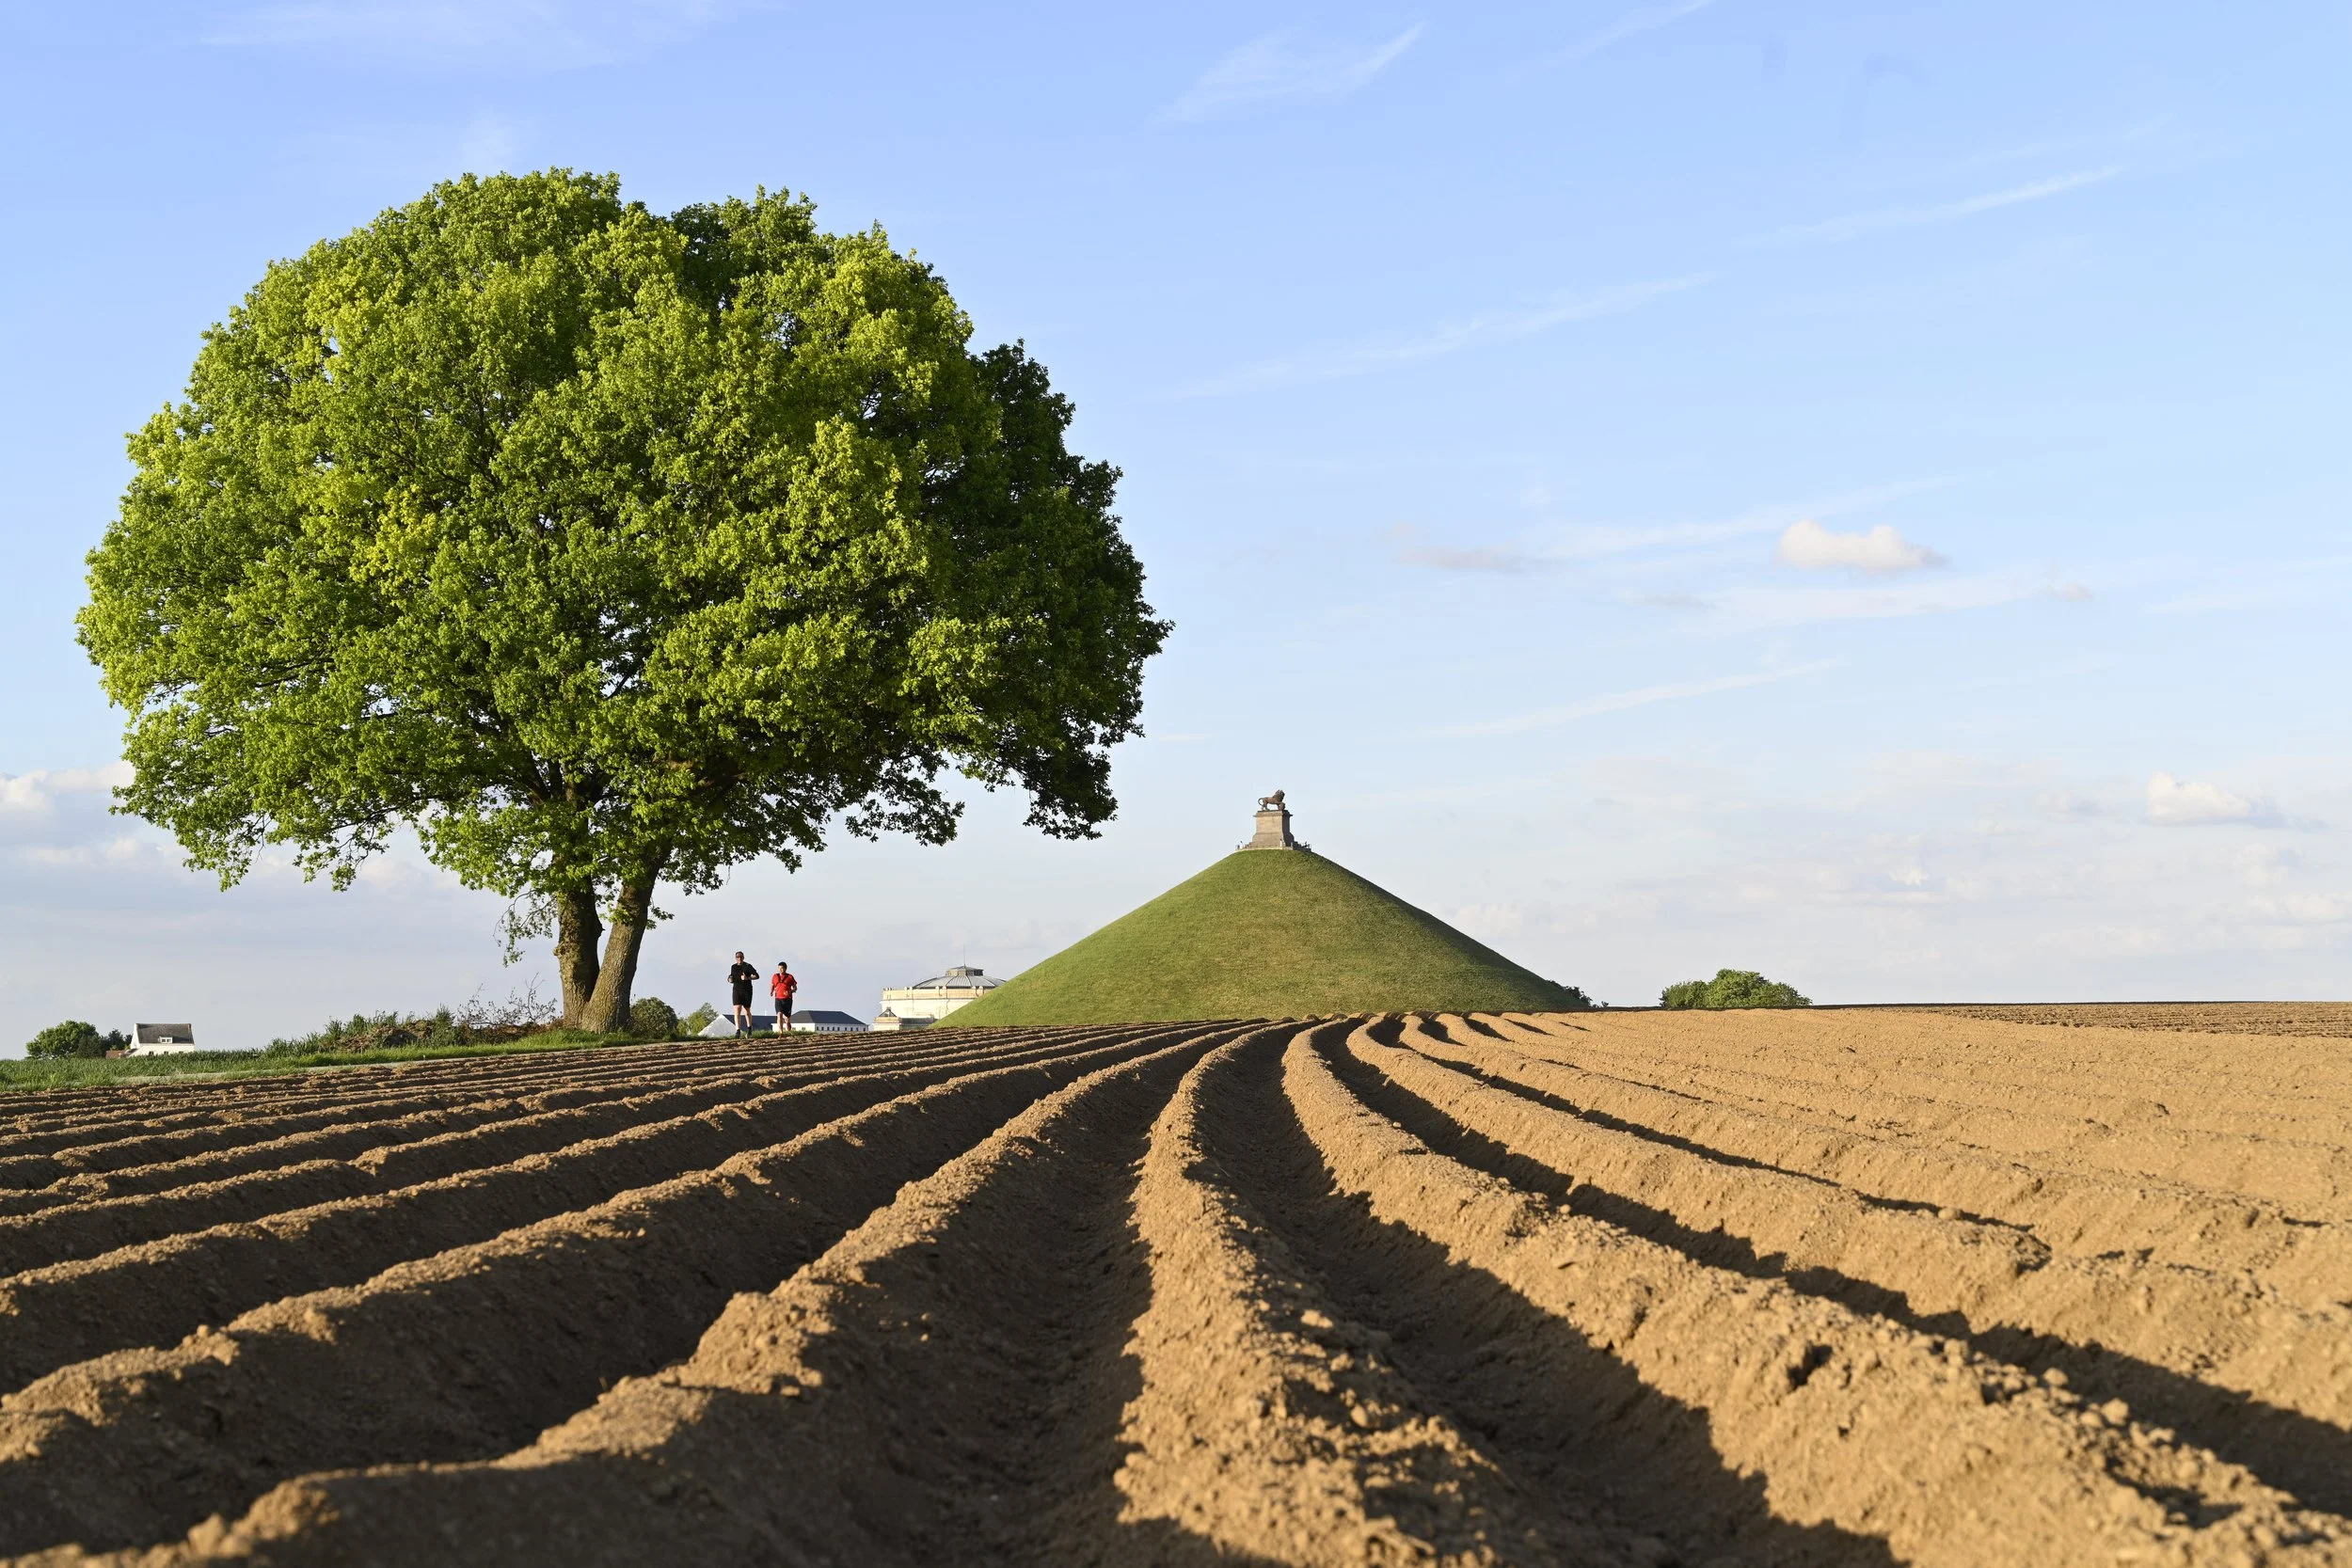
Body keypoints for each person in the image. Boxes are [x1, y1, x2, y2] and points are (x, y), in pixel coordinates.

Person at [726, 951, 759, 1037]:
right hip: (736, 990)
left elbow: (757, 976)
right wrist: (729, 979)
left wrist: (747, 978)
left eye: (741, 957)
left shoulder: (748, 966)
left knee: (746, 1011)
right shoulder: (733, 967)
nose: (739, 958)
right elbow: (731, 976)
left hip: (747, 991)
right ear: (735, 958)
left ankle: (749, 1029)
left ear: (743, 957)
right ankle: (738, 1031)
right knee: (737, 1009)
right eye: (738, 957)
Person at [770, 961, 799, 1034]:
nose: (780, 970)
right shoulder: (775, 976)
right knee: (779, 1015)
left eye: (782, 968)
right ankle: (781, 1032)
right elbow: (772, 984)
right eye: (779, 968)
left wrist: (790, 991)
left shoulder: (790, 977)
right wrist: (771, 991)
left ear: (785, 969)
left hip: (788, 999)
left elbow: (795, 988)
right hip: (778, 999)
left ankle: (787, 1022)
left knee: (787, 1017)